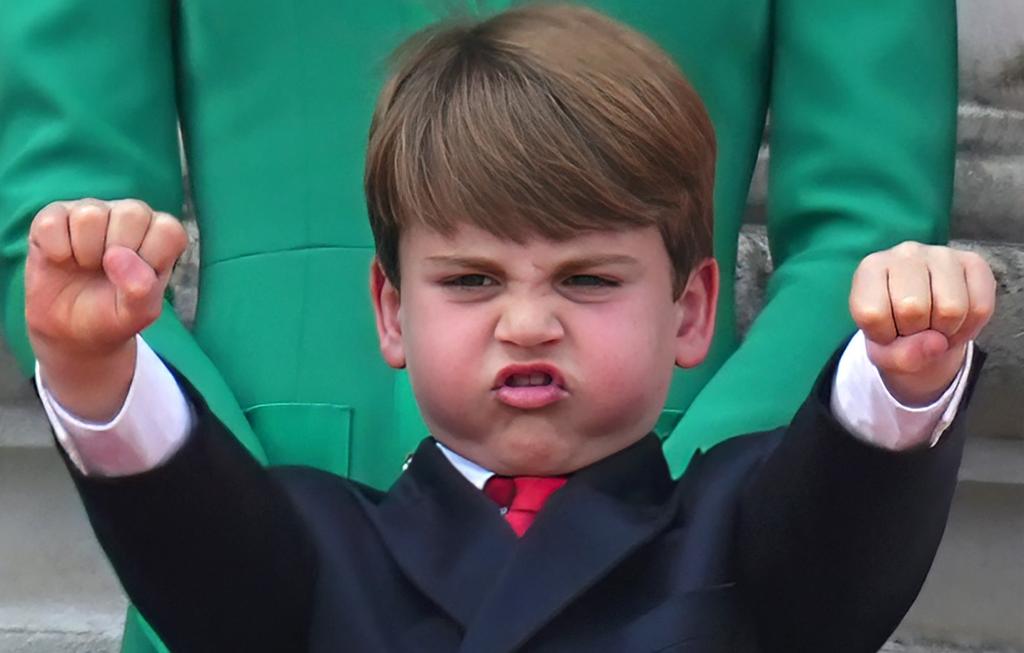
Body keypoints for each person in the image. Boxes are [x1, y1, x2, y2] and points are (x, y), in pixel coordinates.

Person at [23, 6, 993, 652]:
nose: (528, 321)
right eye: (475, 280)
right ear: (390, 311)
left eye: (584, 280)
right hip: (266, 455)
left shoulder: (739, 539)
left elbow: (842, 521)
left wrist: (899, 364)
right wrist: (96, 363)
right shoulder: (308, 545)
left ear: (691, 307)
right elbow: (201, 540)